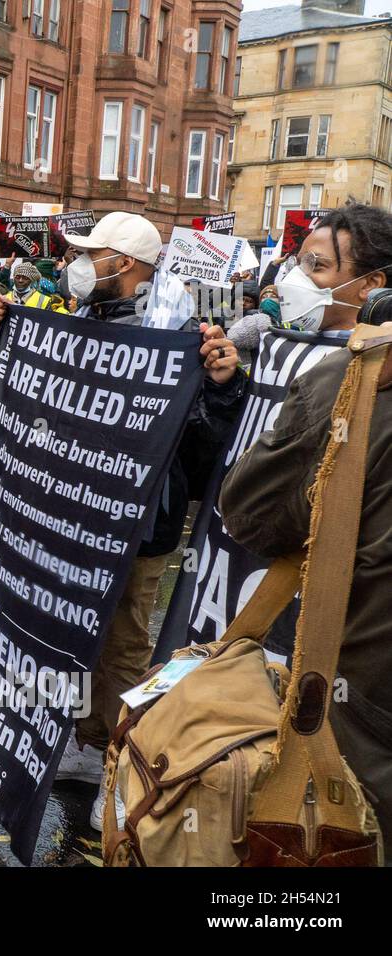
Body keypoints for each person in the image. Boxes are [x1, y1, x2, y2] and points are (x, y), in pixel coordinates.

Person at [0, 212, 247, 831]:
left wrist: (221, 386)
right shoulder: (79, 322)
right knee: (73, 630)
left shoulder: (178, 333)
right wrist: (10, 336)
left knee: (126, 640)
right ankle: (79, 741)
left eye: (91, 253)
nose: (77, 263)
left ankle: (119, 748)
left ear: (125, 264)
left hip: (139, 524)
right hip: (73, 517)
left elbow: (205, 442)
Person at [221, 201, 392, 838]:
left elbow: (251, 514)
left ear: (374, 290)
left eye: (317, 267)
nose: (295, 280)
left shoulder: (349, 378)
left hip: (367, 705)